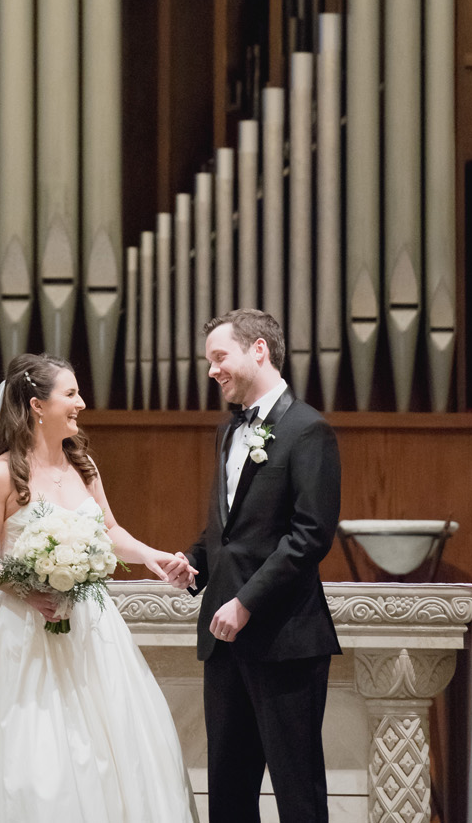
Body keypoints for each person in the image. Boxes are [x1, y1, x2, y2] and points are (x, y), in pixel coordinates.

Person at [0, 351, 199, 823]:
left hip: (92, 629)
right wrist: (25, 589)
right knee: (32, 752)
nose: (81, 402)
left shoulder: (83, 467)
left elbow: (108, 531)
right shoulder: (0, 474)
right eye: (71, 393)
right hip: (25, 631)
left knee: (112, 747)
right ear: (37, 405)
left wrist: (152, 556)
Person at [170, 309, 341, 823]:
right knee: (227, 793)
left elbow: (309, 536)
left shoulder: (309, 431)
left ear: (259, 350)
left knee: (298, 792)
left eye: (219, 357)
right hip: (225, 644)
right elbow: (228, 530)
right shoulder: (227, 433)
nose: (212, 371)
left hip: (284, 638)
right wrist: (193, 561)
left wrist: (245, 603)